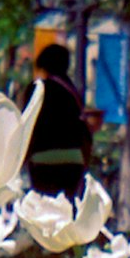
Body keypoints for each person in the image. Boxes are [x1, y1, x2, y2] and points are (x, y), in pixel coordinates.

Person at [24, 44, 92, 198]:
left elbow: (27, 127)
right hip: (73, 160)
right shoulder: (72, 92)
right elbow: (84, 130)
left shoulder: (36, 89)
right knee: (66, 211)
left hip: (42, 159)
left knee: (45, 213)